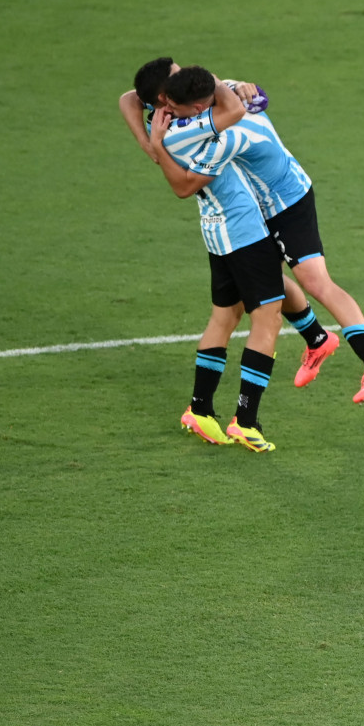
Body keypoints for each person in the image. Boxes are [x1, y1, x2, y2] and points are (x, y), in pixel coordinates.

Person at [122, 57, 364, 404]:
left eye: (175, 109)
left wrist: (157, 144)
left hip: (287, 203)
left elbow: (184, 185)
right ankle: (316, 339)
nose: (170, 115)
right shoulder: (232, 97)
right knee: (261, 276)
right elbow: (129, 98)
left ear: (192, 106)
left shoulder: (221, 135)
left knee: (314, 282)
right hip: (265, 202)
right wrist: (229, 85)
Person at [145, 68, 286, 451]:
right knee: (268, 318)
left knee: (225, 317)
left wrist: (154, 141)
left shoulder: (160, 124)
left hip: (216, 231)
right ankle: (246, 420)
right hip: (244, 231)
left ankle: (200, 409)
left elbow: (130, 97)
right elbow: (235, 110)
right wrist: (221, 82)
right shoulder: (193, 129)